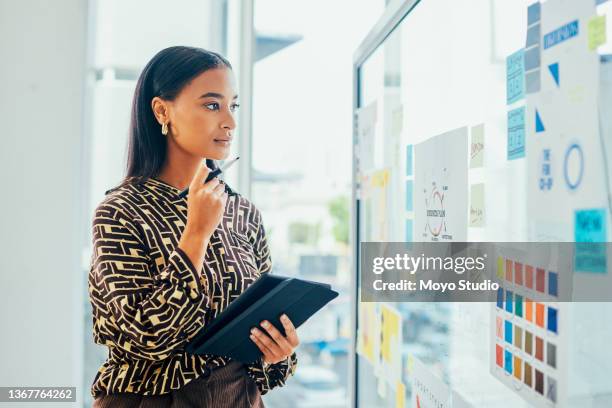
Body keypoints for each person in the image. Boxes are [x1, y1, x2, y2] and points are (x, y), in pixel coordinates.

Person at [88, 46, 298, 407]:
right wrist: (196, 234)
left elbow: (264, 343)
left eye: (234, 106)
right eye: (212, 105)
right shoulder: (120, 212)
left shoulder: (243, 213)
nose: (229, 121)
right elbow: (149, 338)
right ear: (162, 110)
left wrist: (278, 352)